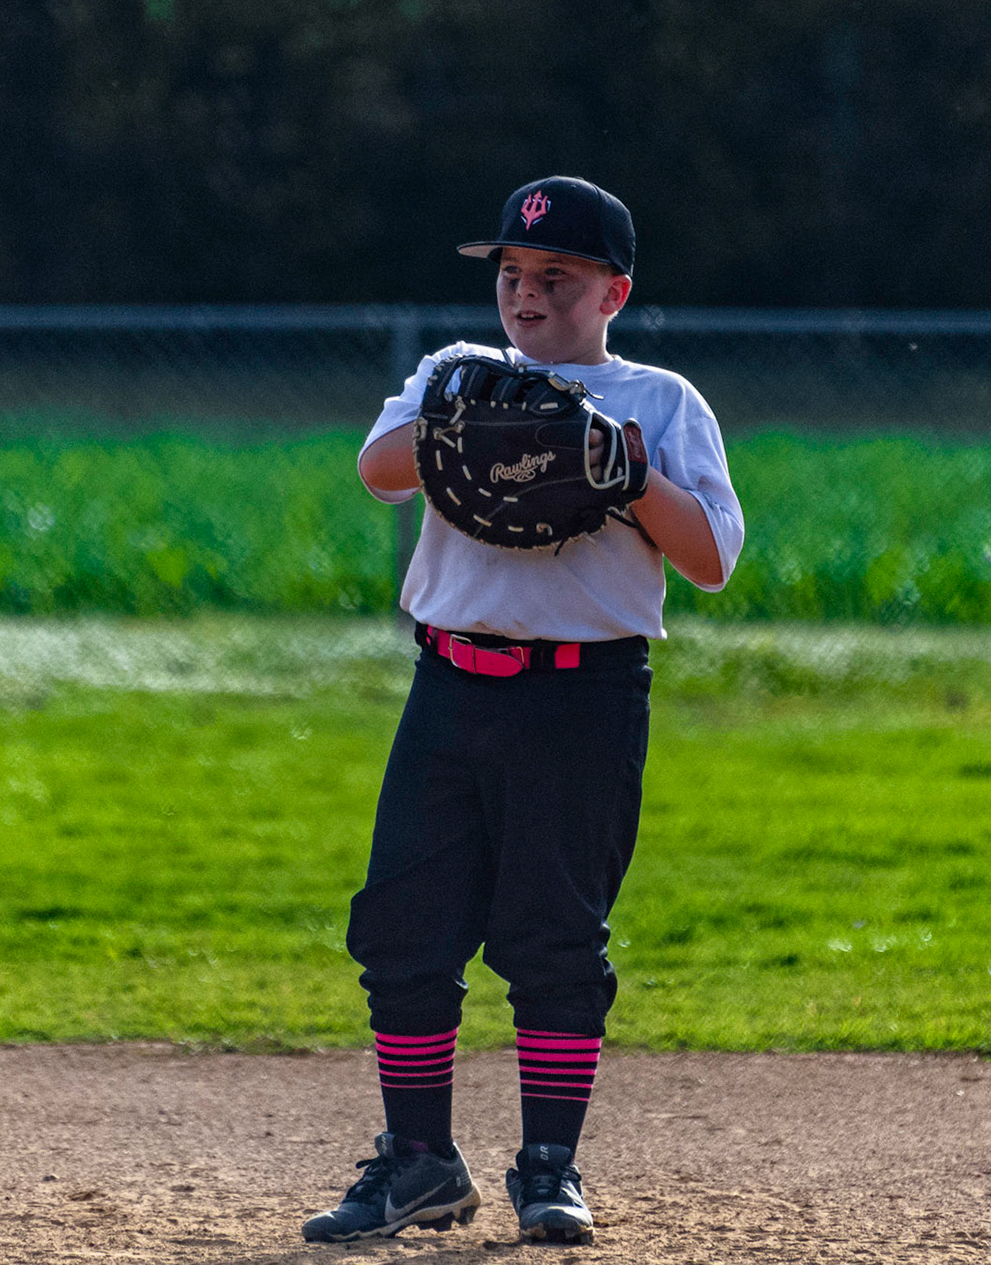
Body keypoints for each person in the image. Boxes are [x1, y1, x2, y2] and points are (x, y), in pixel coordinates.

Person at [302, 175, 744, 1245]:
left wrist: (624, 469)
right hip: (449, 687)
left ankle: (550, 1167)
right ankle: (418, 1164)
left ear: (614, 292)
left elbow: (713, 558)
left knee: (554, 937)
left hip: (583, 698)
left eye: (556, 276)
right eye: (511, 274)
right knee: (404, 931)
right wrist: (469, 418)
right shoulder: (456, 372)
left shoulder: (658, 402)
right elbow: (376, 473)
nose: (526, 296)